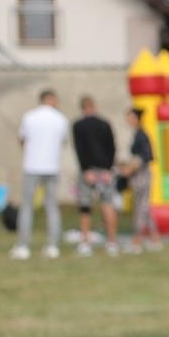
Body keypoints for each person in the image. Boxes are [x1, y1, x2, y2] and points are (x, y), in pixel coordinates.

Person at [11, 89, 70, 260]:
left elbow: (22, 139)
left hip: (32, 166)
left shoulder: (29, 117)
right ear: (51, 99)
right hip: (52, 167)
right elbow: (63, 142)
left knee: (27, 206)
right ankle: (52, 245)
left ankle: (23, 246)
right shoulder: (61, 119)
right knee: (51, 206)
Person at [71, 96, 119, 256]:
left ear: (82, 108)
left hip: (89, 170)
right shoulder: (105, 124)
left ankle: (85, 242)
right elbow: (112, 148)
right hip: (105, 171)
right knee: (108, 204)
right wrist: (108, 169)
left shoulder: (78, 126)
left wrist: (86, 170)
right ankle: (111, 242)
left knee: (85, 207)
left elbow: (80, 149)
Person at [121, 107, 160, 254]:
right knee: (144, 208)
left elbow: (145, 157)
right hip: (138, 175)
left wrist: (129, 169)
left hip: (142, 175)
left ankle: (137, 239)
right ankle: (154, 238)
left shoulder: (141, 135)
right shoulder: (137, 134)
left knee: (140, 208)